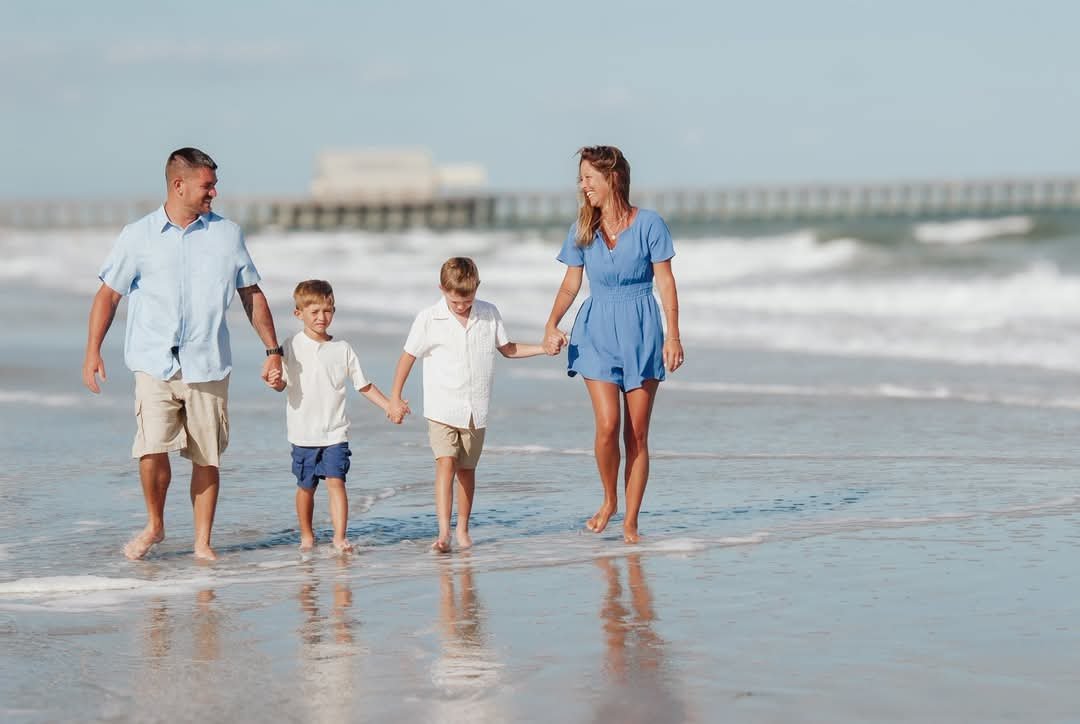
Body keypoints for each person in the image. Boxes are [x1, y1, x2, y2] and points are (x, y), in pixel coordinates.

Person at [82, 147, 282, 561]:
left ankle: (202, 542)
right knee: (151, 449)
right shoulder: (136, 236)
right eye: (207, 185)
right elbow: (108, 295)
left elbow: (252, 294)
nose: (214, 192)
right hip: (154, 362)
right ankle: (155, 525)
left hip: (208, 363)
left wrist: (273, 350)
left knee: (206, 455)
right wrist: (92, 351)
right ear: (179, 185)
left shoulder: (227, 235)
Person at [543, 145, 684, 543]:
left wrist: (673, 335)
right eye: (581, 178)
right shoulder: (582, 230)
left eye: (589, 177)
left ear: (613, 178)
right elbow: (572, 283)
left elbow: (666, 281)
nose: (583, 185)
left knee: (636, 433)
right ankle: (609, 499)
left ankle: (631, 521)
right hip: (597, 330)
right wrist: (552, 323)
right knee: (608, 425)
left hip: (642, 328)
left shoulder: (650, 224)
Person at [389, 257, 547, 552]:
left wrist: (542, 348)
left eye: (468, 300)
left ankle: (462, 528)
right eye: (455, 301)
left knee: (466, 470)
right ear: (442, 289)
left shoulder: (489, 314)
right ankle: (443, 532)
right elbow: (408, 356)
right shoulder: (428, 318)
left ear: (477, 289)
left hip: (476, 408)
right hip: (441, 407)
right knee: (445, 463)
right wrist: (395, 396)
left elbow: (508, 349)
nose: (462, 306)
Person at [266, 280, 403, 553]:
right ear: (298, 314)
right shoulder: (290, 346)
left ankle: (340, 537)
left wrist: (389, 404)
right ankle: (306, 534)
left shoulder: (343, 348)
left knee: (337, 482)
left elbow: (363, 385)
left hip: (335, 431)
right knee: (306, 487)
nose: (321, 317)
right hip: (303, 432)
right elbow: (282, 382)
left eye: (327, 311)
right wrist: (275, 381)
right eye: (314, 311)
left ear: (334, 311)